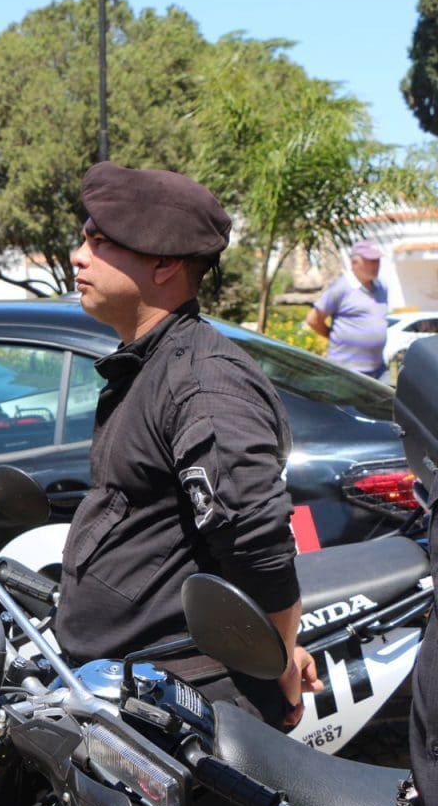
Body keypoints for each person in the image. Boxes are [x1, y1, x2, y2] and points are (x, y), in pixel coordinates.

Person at [56, 162, 322, 729]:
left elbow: (257, 539)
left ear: (165, 263)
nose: (78, 257)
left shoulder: (203, 381)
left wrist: (277, 656)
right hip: (116, 687)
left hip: (177, 703)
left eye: (99, 242)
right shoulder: (150, 363)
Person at [304, 240, 391, 382]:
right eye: (371, 261)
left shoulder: (382, 287)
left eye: (377, 261)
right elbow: (313, 319)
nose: (376, 265)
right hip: (346, 372)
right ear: (355, 262)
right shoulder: (341, 288)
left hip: (378, 370)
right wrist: (333, 336)